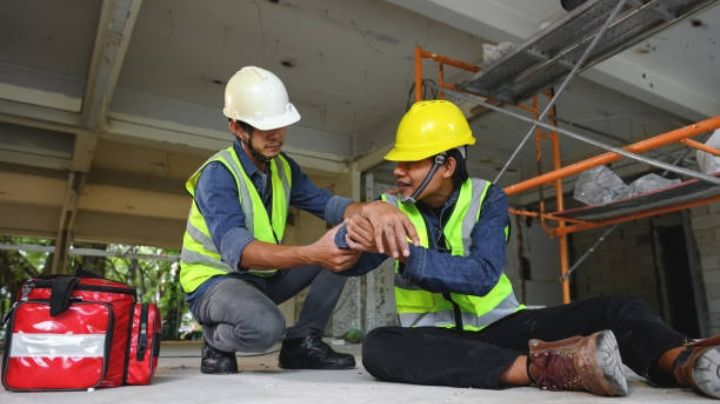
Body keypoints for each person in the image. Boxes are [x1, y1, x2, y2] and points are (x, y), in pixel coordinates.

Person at [333, 99, 720, 399]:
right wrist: (363, 216)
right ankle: (544, 368)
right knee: (379, 346)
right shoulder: (392, 209)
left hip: (503, 327)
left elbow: (483, 275)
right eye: (397, 162)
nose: (397, 170)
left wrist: (408, 255)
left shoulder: (488, 198)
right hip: (439, 339)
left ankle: (683, 362)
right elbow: (353, 263)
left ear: (447, 165)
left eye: (410, 162)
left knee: (617, 308)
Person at [179, 66, 417, 374]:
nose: (277, 136)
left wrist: (374, 209)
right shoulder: (217, 176)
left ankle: (302, 343)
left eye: (282, 125)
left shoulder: (282, 168)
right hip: (214, 284)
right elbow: (241, 253)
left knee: (347, 241)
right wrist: (314, 253)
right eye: (266, 128)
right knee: (266, 328)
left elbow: (328, 204)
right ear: (237, 128)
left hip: (262, 280)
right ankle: (216, 339)